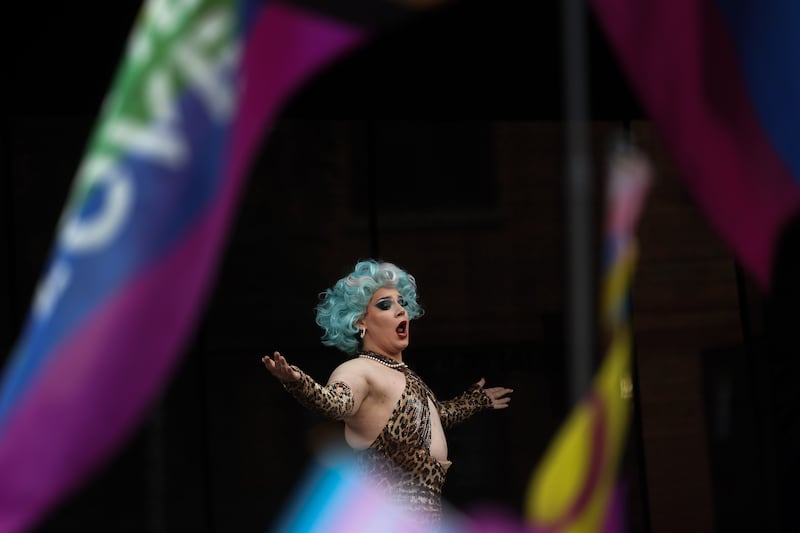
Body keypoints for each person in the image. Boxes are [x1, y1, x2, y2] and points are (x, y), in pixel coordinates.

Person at [262, 259, 512, 526]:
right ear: (360, 321)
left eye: (402, 303)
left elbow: (434, 417)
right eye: (385, 305)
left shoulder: (406, 376)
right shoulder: (359, 370)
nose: (399, 311)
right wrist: (297, 381)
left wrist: (475, 401)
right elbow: (333, 404)